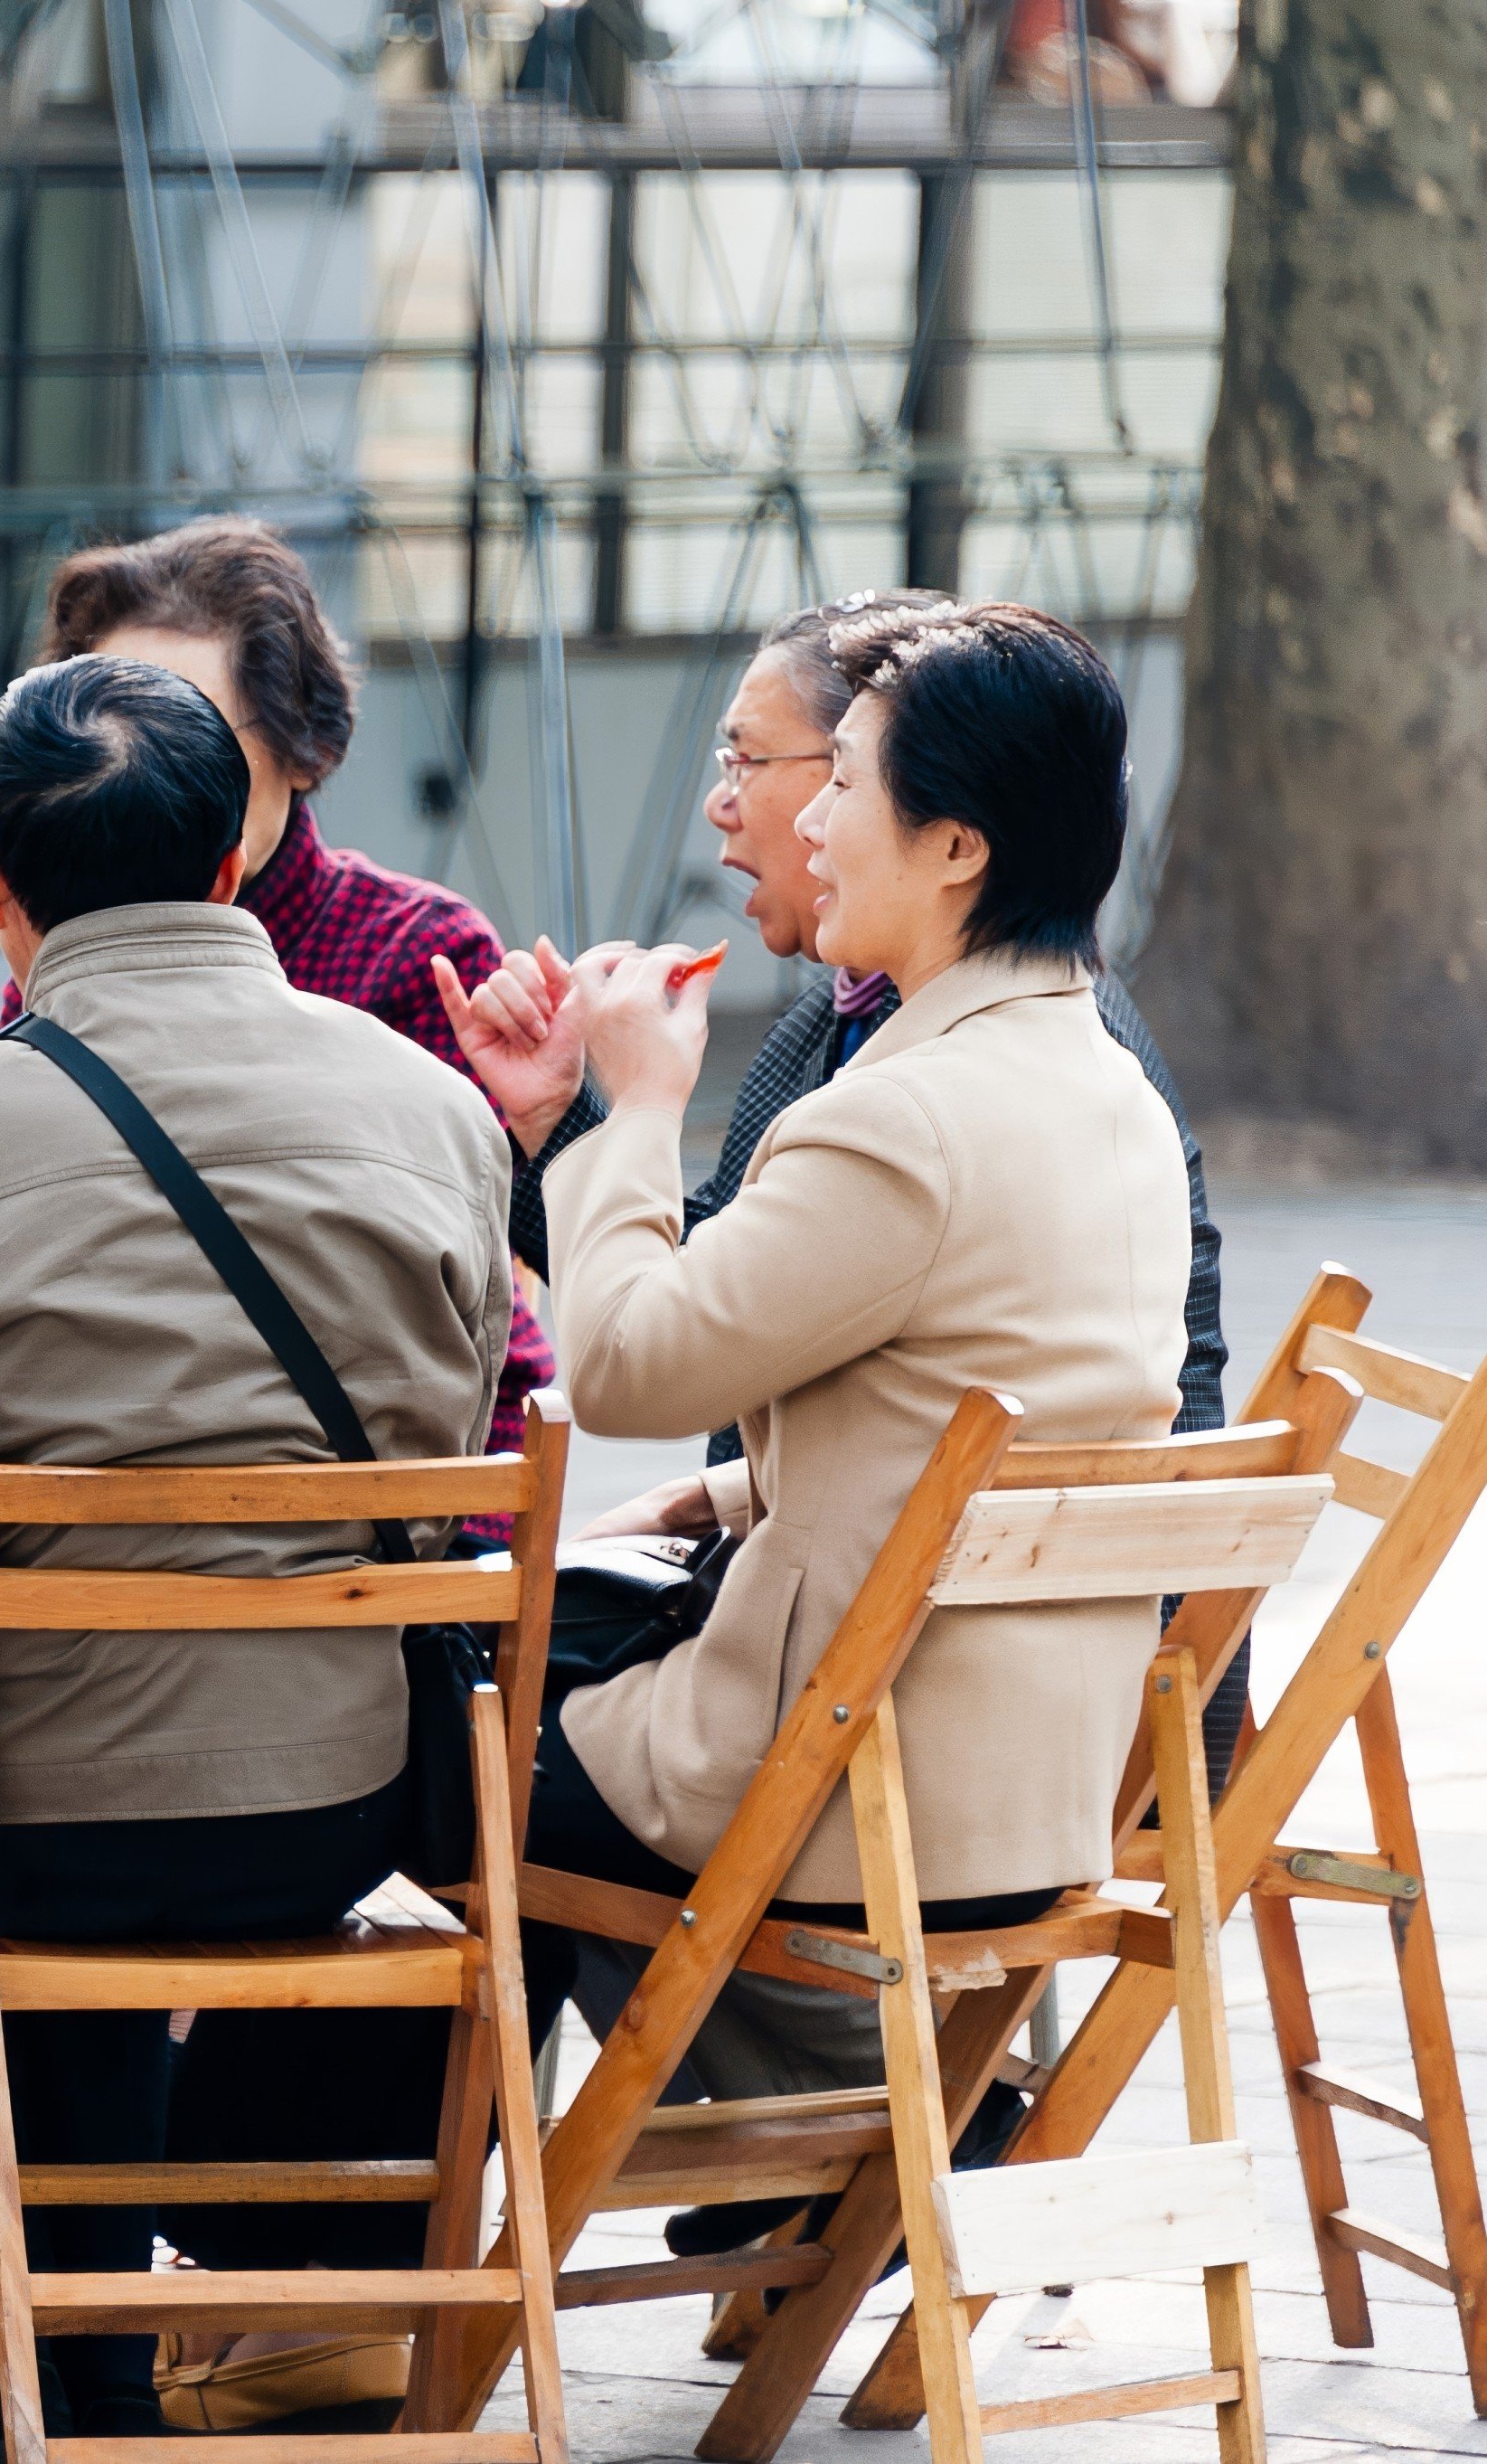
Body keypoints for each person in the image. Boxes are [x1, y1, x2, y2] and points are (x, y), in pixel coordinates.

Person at [0, 655, 511, 2464]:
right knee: (12, 1800)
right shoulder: (440, 1116)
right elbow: (444, 1447)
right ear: (234, 857)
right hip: (341, 1794)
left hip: (22, 1812)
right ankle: (93, 2353)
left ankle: (9, 2352)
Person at [457, 603, 1188, 2115]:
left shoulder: (900, 1114)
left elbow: (636, 1373)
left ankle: (421, 2247)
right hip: (1025, 1787)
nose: (811, 829)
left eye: (844, 785)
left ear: (956, 848)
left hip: (850, 1789)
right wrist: (714, 1509)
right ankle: (837, 2151)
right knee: (521, 1704)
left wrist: (642, 1106)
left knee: (426, 1743)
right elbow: (982, 1421)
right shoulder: (1104, 1081)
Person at [33, 518, 554, 1488]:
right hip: (128, 1476)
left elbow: (474, 1289)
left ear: (302, 747)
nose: (147, 782)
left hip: (399, 1505)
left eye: (193, 735)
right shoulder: (66, 936)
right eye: (112, 737)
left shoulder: (418, 951)